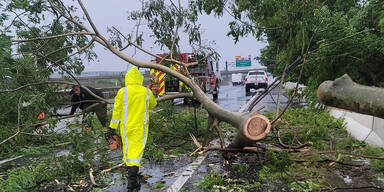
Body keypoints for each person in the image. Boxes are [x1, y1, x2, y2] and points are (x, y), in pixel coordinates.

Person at [108, 67, 157, 191]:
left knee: (129, 151)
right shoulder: (146, 92)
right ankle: (131, 182)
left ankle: (132, 181)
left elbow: (117, 111)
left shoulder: (122, 92)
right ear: (139, 78)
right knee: (136, 153)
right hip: (140, 127)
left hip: (126, 127)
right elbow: (153, 104)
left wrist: (112, 127)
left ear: (127, 78)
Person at [69, 85, 119, 149]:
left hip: (98, 101)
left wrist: (103, 103)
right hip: (87, 104)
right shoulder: (75, 95)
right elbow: (74, 105)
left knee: (103, 120)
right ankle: (87, 141)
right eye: (74, 91)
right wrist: (71, 113)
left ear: (80, 88)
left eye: (77, 90)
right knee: (86, 121)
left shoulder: (87, 90)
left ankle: (112, 141)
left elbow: (97, 95)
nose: (76, 92)